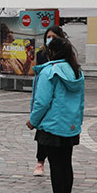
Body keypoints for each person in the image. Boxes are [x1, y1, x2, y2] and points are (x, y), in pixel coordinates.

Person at [27, 36, 84, 193]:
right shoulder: (76, 71)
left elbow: (42, 102)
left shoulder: (49, 71)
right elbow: (81, 102)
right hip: (70, 125)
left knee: (56, 167)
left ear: (51, 52)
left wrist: (33, 121)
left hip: (51, 126)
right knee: (66, 165)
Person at [32, 25, 67, 177]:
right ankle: (40, 161)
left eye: (53, 37)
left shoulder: (68, 59)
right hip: (44, 95)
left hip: (59, 107)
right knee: (42, 132)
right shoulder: (41, 54)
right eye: (48, 37)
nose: (50, 40)